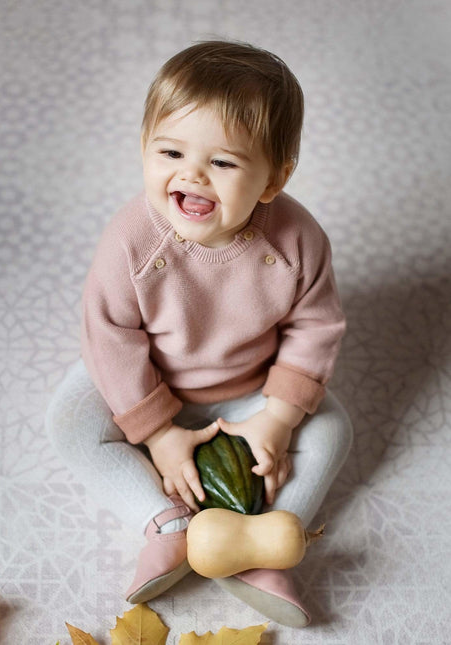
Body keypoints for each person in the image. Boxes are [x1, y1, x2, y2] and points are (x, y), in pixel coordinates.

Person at [46, 40, 352, 628]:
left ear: (273, 180)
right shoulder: (133, 239)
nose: (191, 175)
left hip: (251, 386)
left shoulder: (296, 239)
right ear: (143, 149)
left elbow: (316, 324)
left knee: (334, 431)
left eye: (224, 162)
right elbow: (109, 334)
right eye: (170, 151)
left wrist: (277, 419)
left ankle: (258, 543)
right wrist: (157, 432)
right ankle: (166, 524)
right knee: (71, 420)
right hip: (147, 378)